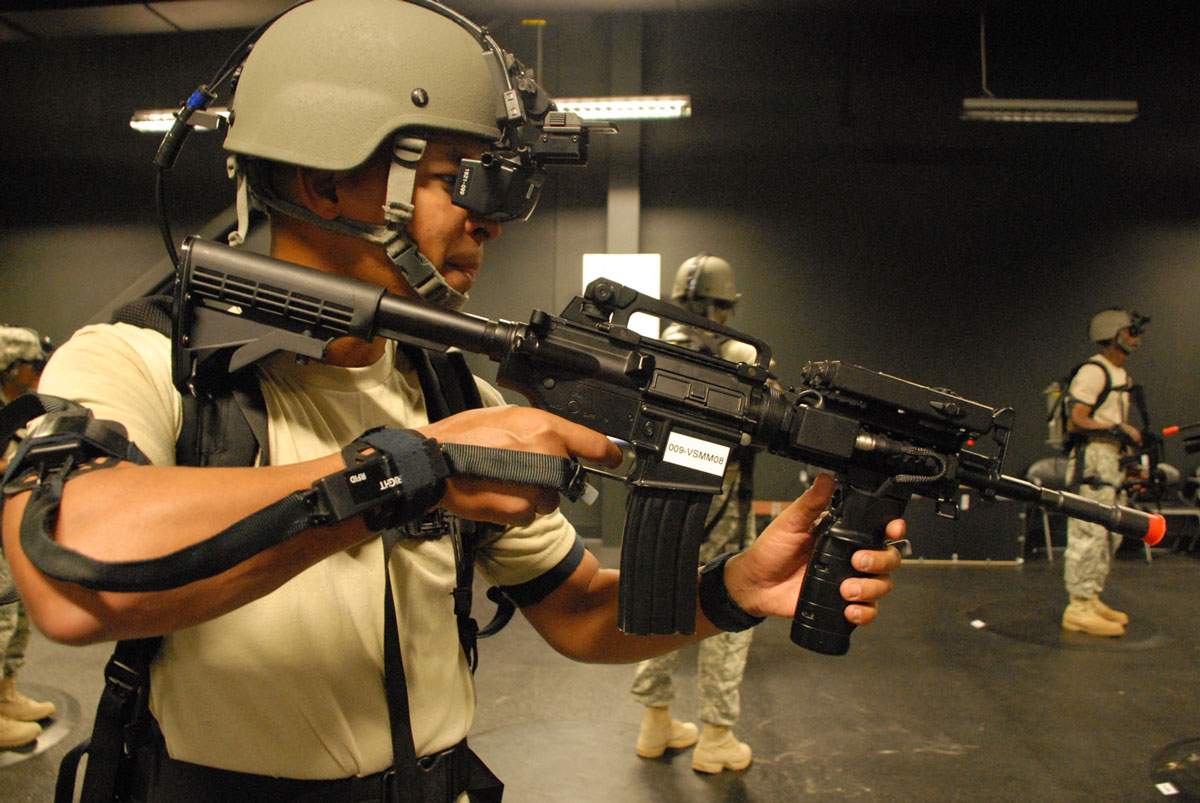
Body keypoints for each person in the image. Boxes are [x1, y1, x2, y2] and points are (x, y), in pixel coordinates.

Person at [0, 1, 903, 800]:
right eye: (466, 178)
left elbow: (582, 611)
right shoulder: (142, 360)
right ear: (327, 180)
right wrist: (416, 472)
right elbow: (71, 569)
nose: (494, 218)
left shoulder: (440, 384)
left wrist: (737, 587)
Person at [631, 254, 762, 774]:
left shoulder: (655, 349)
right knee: (729, 610)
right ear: (725, 306)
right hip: (721, 507)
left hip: (659, 498)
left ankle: (655, 724)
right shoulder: (740, 355)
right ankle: (716, 737)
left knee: (658, 600)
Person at [1061, 308, 1147, 637]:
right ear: (1114, 334)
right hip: (1093, 457)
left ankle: (1091, 595)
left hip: (1111, 458)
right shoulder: (1095, 371)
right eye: (1131, 331)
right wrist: (1118, 427)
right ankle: (1078, 606)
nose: (1136, 338)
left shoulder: (1119, 375)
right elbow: (1077, 418)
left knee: (1110, 531)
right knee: (1089, 531)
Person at [0, 325, 57, 749]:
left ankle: (5, 695)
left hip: (10, 530)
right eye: (32, 365)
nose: (38, 373)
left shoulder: (19, 410)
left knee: (15, 618)